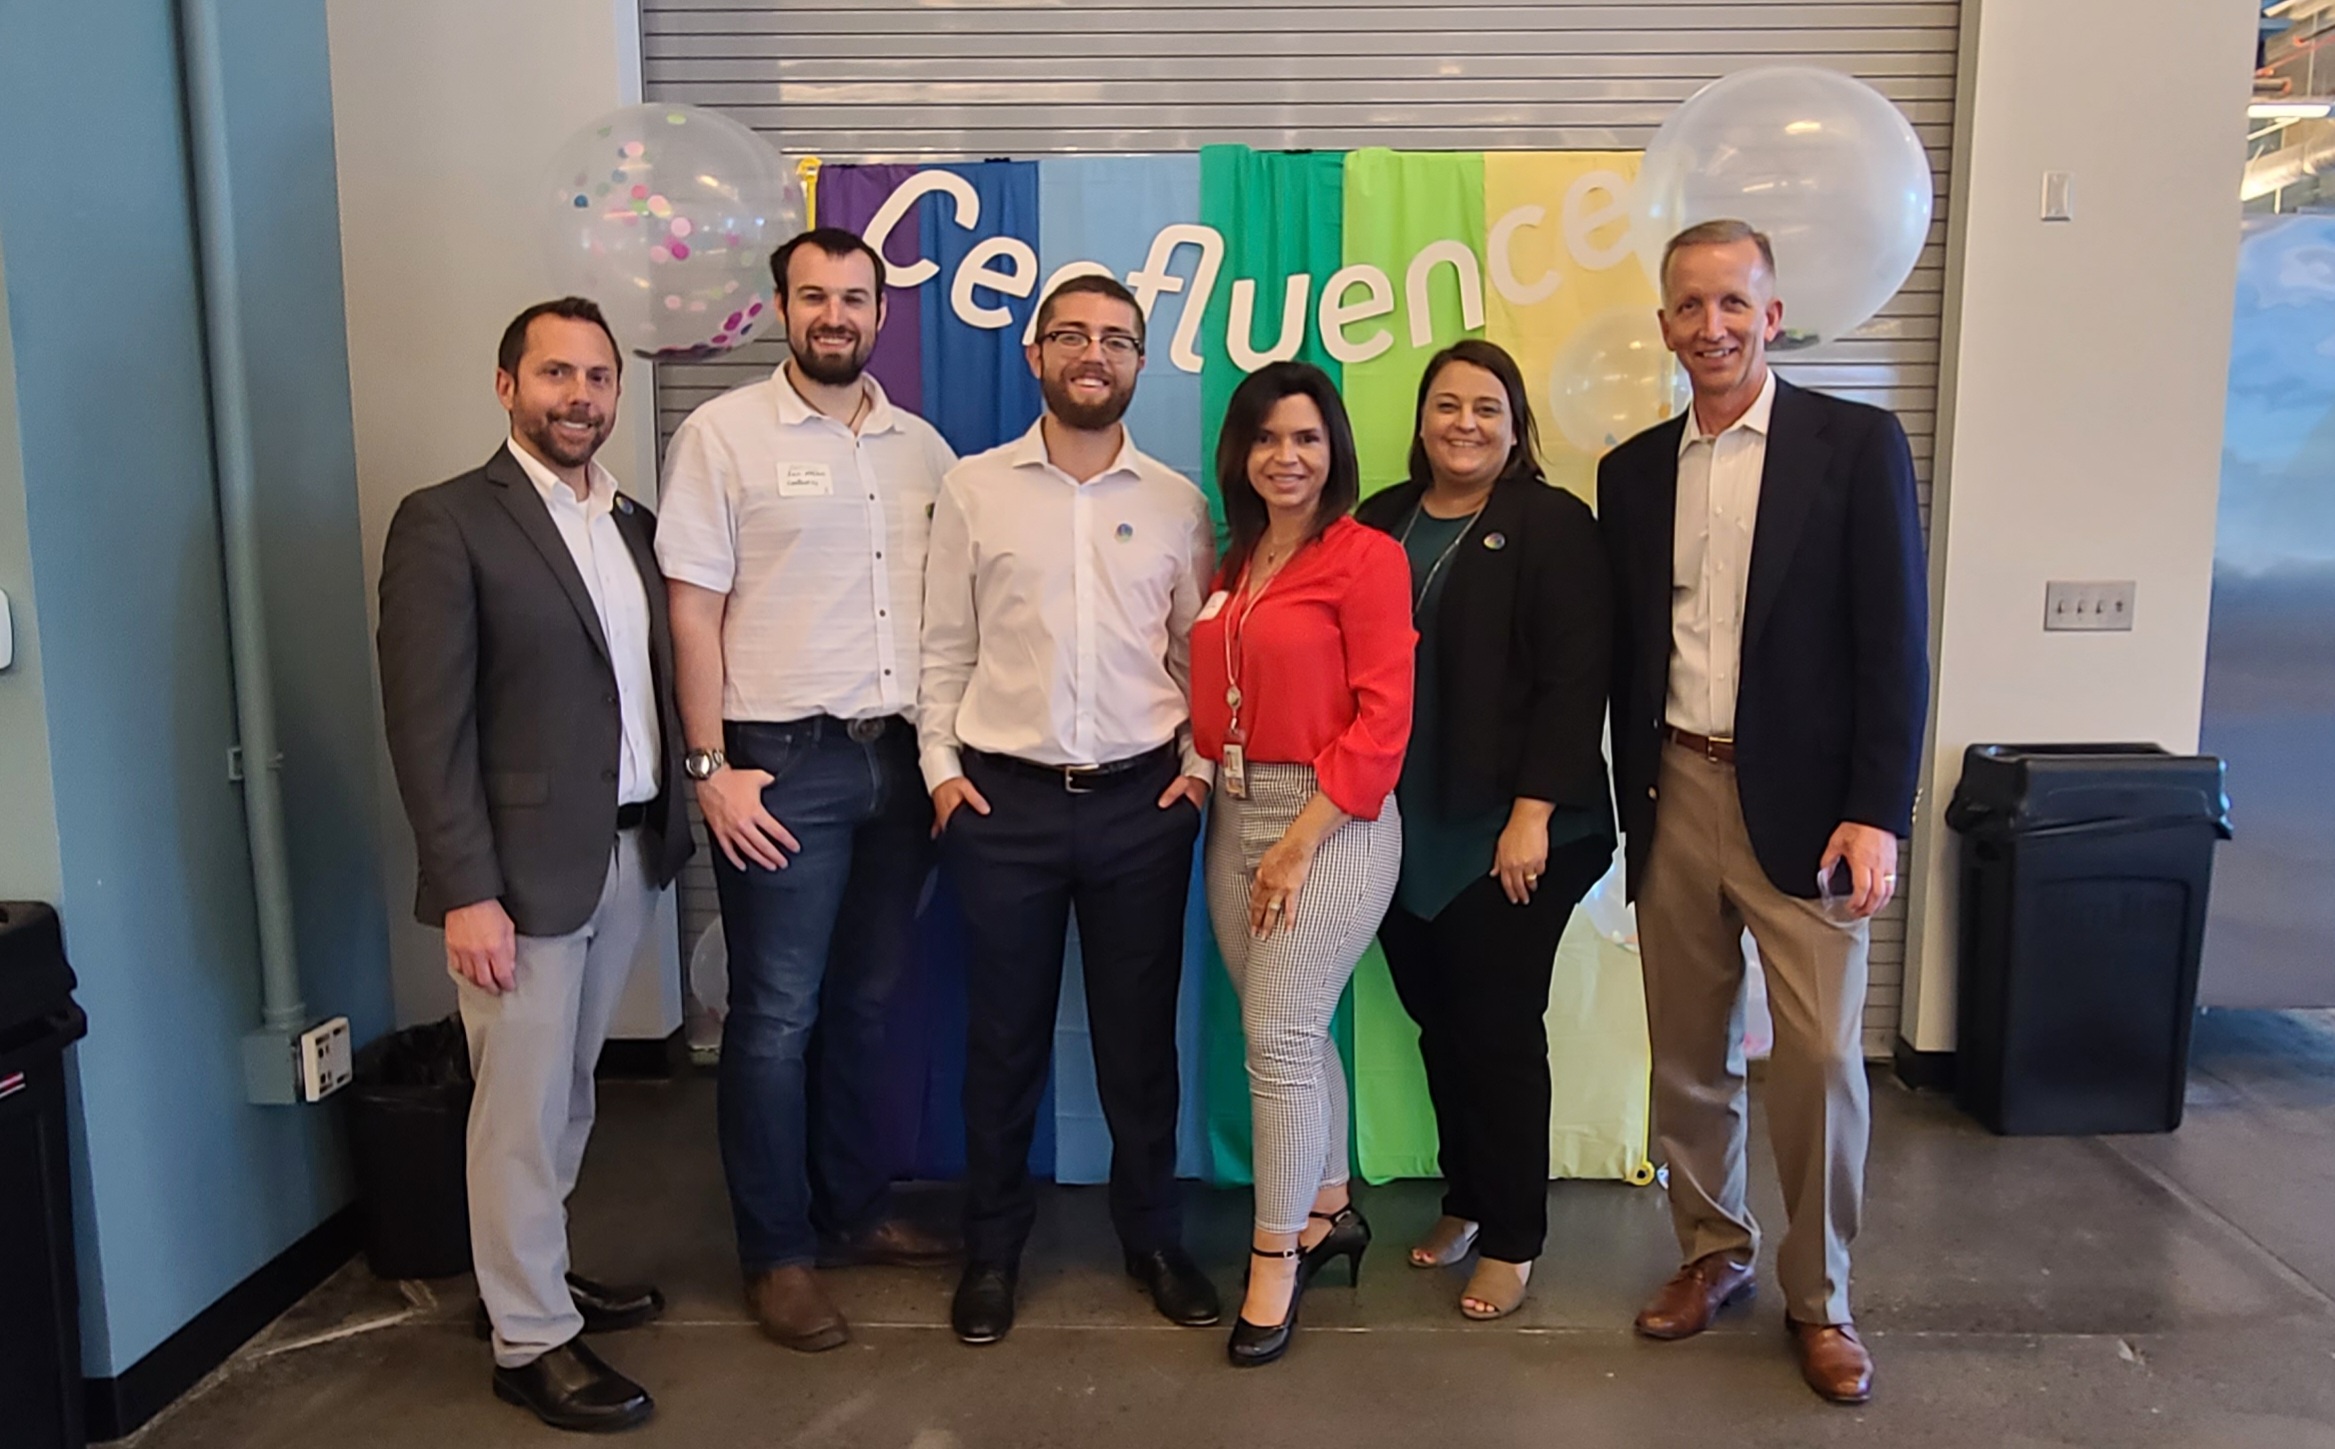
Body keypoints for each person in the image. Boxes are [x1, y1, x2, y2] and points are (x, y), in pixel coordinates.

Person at [1599, 219, 1927, 1405]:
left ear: (1772, 316)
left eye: (1733, 303)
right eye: (1689, 306)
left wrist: (1876, 810)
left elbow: (1895, 643)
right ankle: (1709, 1252)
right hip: (1673, 786)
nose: (1712, 326)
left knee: (1824, 1060)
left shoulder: (1854, 444)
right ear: (1664, 326)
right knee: (1687, 1054)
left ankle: (1820, 1297)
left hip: (1812, 808)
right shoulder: (1632, 471)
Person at [378, 298, 692, 1433]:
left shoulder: (634, 524)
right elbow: (427, 727)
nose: (580, 397)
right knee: (516, 1107)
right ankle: (528, 1338)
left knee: (567, 1092)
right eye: (556, 374)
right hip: (515, 876)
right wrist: (466, 889)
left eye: (598, 377)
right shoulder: (447, 522)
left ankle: (532, 1273)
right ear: (506, 385)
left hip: (627, 851)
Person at [656, 228, 962, 1354]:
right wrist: (708, 768)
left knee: (866, 1004)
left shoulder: (923, 450)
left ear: (881, 312)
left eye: (855, 297)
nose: (836, 314)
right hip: (779, 763)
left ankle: (851, 1210)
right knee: (775, 1016)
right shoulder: (722, 435)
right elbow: (690, 611)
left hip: (899, 760)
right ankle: (776, 1254)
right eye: (814, 296)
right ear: (780, 307)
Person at [920, 273, 1221, 1345]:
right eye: (1072, 336)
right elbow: (942, 647)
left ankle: (1154, 1240)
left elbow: (1199, 656)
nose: (1094, 354)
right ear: (1035, 354)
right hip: (1002, 808)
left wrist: (1198, 773)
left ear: (1140, 360)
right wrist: (940, 775)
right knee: (1002, 1042)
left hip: (1143, 806)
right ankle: (992, 1251)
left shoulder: (1176, 502)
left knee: (1139, 1045)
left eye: (1116, 340)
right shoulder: (973, 491)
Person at [1355, 339, 1617, 1323]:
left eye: (1485, 408)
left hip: (1519, 828)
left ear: (1515, 429)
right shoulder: (1380, 518)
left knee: (1497, 1032)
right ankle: (1465, 1197)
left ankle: (1512, 1237)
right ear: (1421, 420)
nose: (1463, 423)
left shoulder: (1553, 523)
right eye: (1447, 405)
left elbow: (1574, 678)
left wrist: (1531, 814)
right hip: (1403, 823)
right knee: (1438, 1022)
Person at [1189, 362, 1414, 1367]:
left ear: (1334, 451)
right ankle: (1327, 1206)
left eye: (1307, 438)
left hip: (1331, 819)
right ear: (1240, 452)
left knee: (1275, 1037)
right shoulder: (1233, 564)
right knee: (1289, 1025)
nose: (1287, 456)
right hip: (1234, 812)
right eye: (1268, 438)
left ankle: (1273, 1257)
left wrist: (1296, 841)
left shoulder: (1366, 558)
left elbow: (1383, 721)